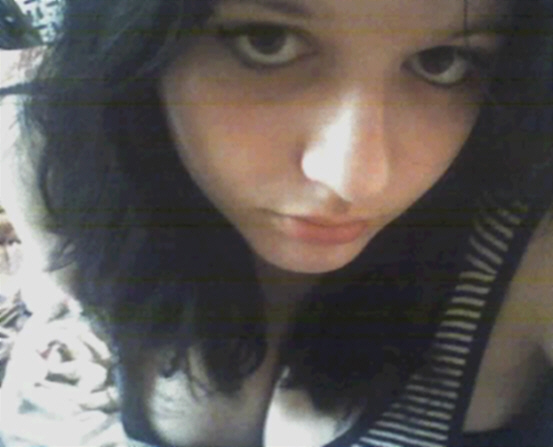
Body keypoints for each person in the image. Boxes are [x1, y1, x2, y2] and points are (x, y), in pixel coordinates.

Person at [2, 0, 553, 446]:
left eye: (441, 61)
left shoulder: (533, 252)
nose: (355, 179)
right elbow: (60, 287)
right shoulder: (57, 154)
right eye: (267, 41)